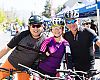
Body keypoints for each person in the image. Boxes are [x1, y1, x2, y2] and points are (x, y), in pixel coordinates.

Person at [0, 15, 46, 80]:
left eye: (38, 26)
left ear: (42, 26)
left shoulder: (45, 40)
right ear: (29, 27)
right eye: (33, 26)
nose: (35, 28)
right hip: (11, 63)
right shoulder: (22, 35)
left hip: (26, 69)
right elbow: (7, 48)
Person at [64, 15, 100, 79]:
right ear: (66, 24)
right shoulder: (66, 35)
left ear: (78, 21)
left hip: (89, 68)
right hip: (75, 69)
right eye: (68, 22)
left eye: (73, 21)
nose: (71, 24)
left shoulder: (88, 31)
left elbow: (98, 42)